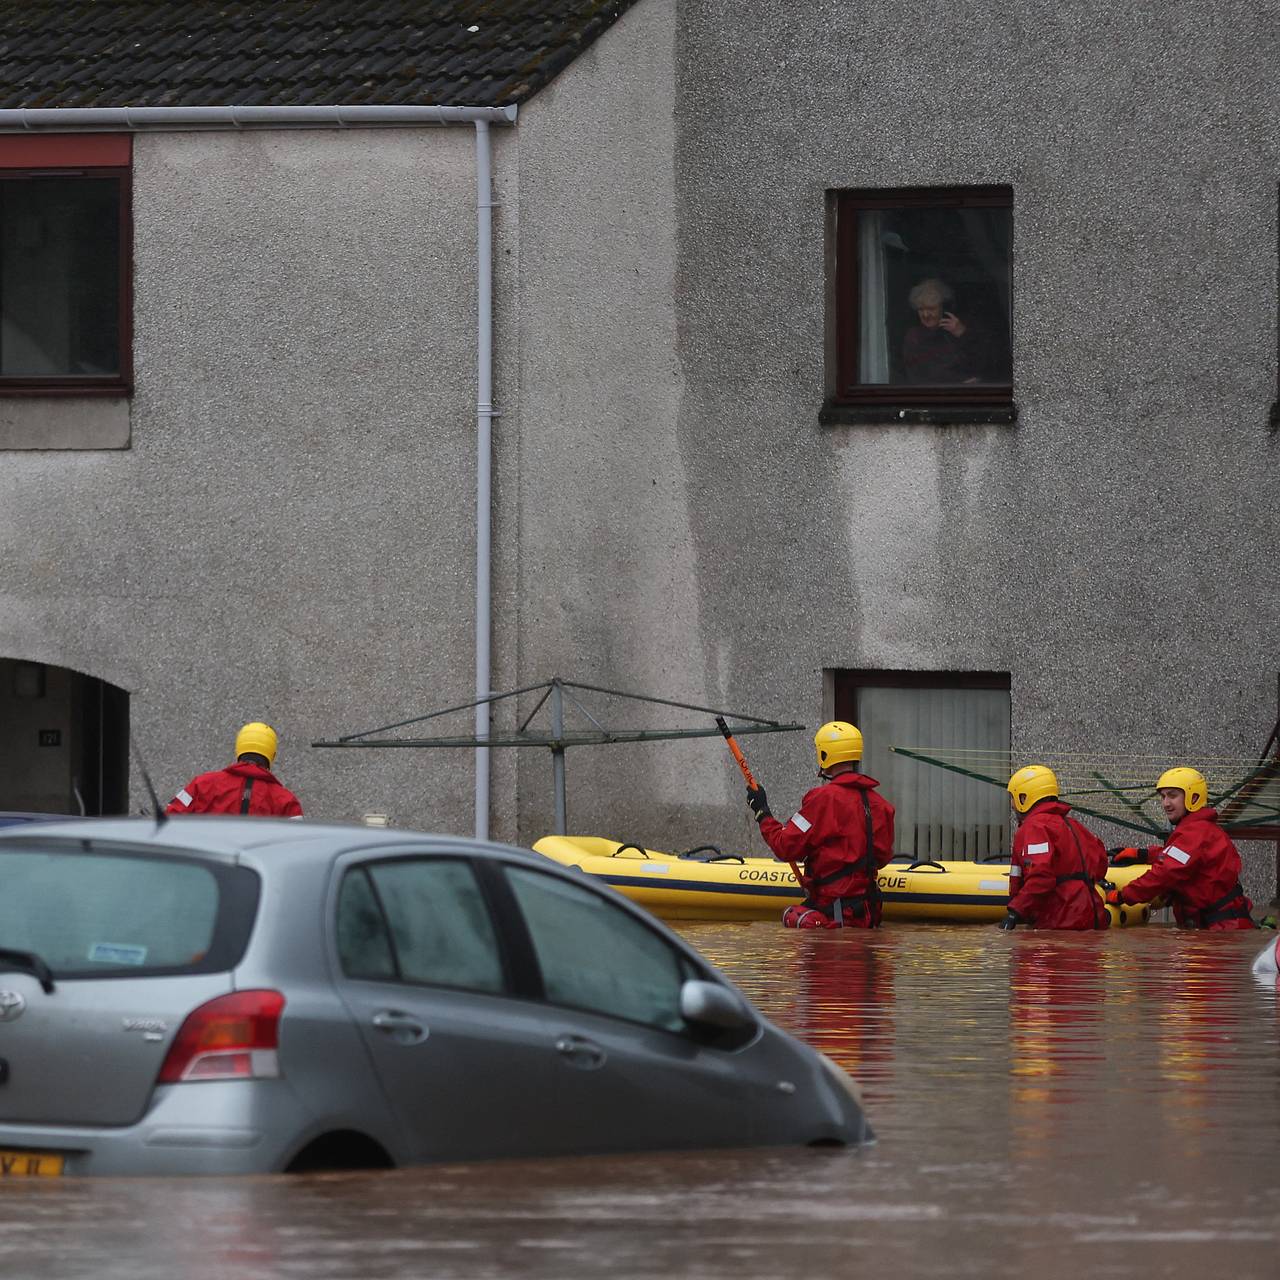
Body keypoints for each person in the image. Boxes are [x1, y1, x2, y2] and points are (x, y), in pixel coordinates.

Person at [745, 721, 895, 929]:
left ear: (824, 755)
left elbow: (785, 846)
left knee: (794, 918)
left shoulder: (821, 800)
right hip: (867, 912)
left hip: (833, 913)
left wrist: (762, 813)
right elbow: (882, 857)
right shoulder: (881, 805)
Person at [1105, 767, 1255, 930]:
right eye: (1163, 797)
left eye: (1172, 795)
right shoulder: (1200, 830)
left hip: (1220, 930)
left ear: (1194, 797)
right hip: (1221, 928)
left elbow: (1164, 873)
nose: (1165, 803)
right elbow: (1177, 856)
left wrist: (1122, 896)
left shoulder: (1195, 833)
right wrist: (1142, 854)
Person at [1000, 765, 1109, 930]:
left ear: (1024, 798)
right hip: (1091, 917)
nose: (1012, 805)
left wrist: (1015, 912)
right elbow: (1100, 866)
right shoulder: (1075, 826)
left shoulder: (1035, 827)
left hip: (1060, 919)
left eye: (1013, 798)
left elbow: (1041, 877)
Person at [166, 721, 303, 818]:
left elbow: (171, 817)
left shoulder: (202, 785)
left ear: (238, 749)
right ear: (272, 755)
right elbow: (299, 844)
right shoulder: (285, 800)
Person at [902, 277, 981, 385]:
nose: (925, 315)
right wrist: (959, 383)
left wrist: (963, 334)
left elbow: (981, 363)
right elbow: (920, 375)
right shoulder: (914, 336)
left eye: (931, 309)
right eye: (921, 309)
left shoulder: (958, 330)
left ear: (944, 308)